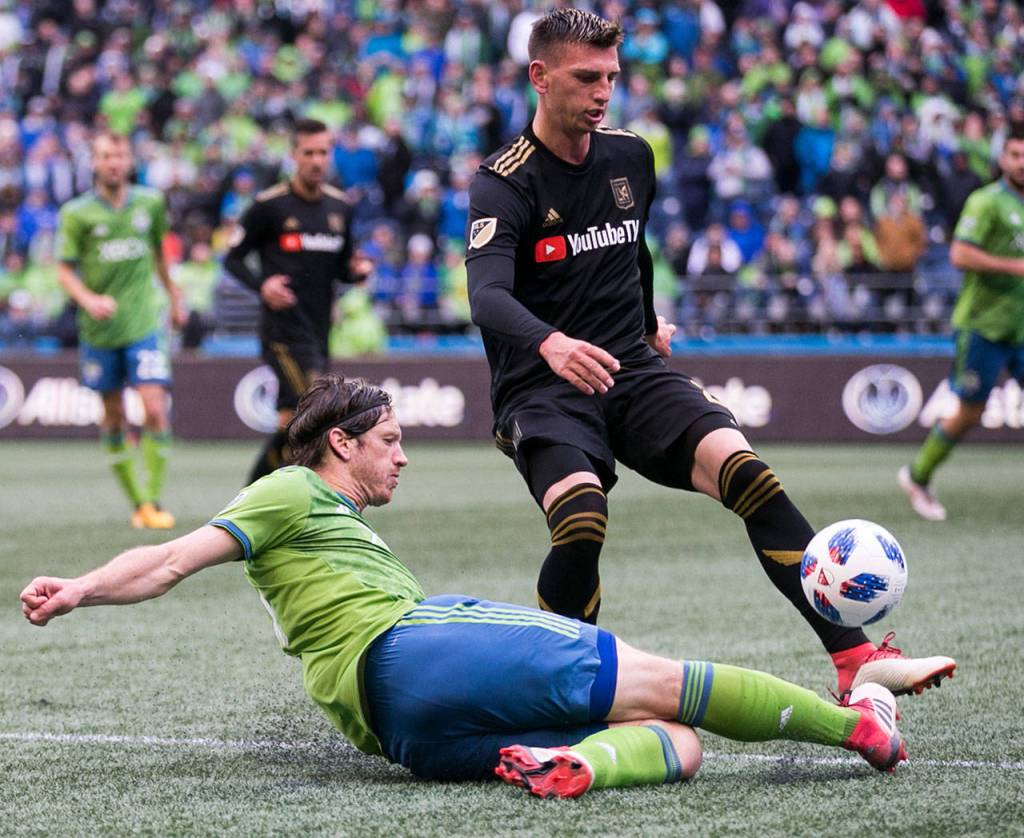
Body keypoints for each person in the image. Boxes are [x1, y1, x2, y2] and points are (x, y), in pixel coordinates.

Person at [21, 373, 909, 799]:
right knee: (664, 678)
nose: (403, 455)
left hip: (400, 734)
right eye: (390, 440)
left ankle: (576, 767)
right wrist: (80, 589)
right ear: (342, 443)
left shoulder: (326, 525)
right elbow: (172, 559)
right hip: (411, 645)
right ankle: (860, 725)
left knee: (677, 743)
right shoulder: (288, 488)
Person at [465, 8, 954, 698]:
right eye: (586, 78)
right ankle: (562, 683)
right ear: (540, 78)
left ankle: (855, 659)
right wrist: (550, 340)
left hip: (631, 368)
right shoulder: (504, 181)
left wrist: (645, 319)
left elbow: (633, 250)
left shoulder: (631, 156)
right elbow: (484, 296)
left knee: (748, 473)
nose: (603, 91)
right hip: (541, 384)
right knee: (580, 521)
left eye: (611, 76)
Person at [224, 118, 367, 483]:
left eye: (323, 152)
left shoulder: (340, 209)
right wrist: (263, 286)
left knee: (293, 423)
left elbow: (342, 267)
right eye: (309, 153)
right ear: (294, 155)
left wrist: (357, 272)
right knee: (319, 410)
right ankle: (301, 497)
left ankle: (255, 497)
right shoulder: (269, 207)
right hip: (282, 331)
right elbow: (232, 258)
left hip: (319, 330)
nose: (317, 160)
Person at [56, 131, 187, 529]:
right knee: (113, 416)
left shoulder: (150, 202)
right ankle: (137, 504)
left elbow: (158, 254)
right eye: (106, 155)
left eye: (120, 154)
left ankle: (153, 499)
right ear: (94, 163)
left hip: (143, 323)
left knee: (152, 408)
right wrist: (88, 299)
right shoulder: (77, 213)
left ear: (129, 160)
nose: (114, 162)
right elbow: (63, 269)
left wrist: (174, 297)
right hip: (99, 331)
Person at [899, 122, 1024, 521]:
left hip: (1022, 328)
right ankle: (917, 477)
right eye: (1015, 155)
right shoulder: (987, 202)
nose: (1021, 164)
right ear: (1002, 158)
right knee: (970, 411)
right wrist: (1014, 267)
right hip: (983, 326)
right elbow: (960, 255)